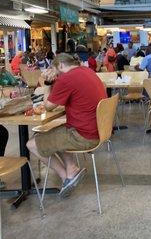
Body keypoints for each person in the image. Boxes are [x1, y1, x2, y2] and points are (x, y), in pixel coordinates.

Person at [27, 53, 107, 197]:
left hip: (83, 136)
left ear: (61, 66)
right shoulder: (87, 71)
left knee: (31, 144)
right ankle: (71, 168)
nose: (57, 76)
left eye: (57, 72)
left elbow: (48, 106)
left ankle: (66, 178)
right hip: (97, 129)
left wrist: (47, 83)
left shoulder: (67, 78)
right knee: (56, 132)